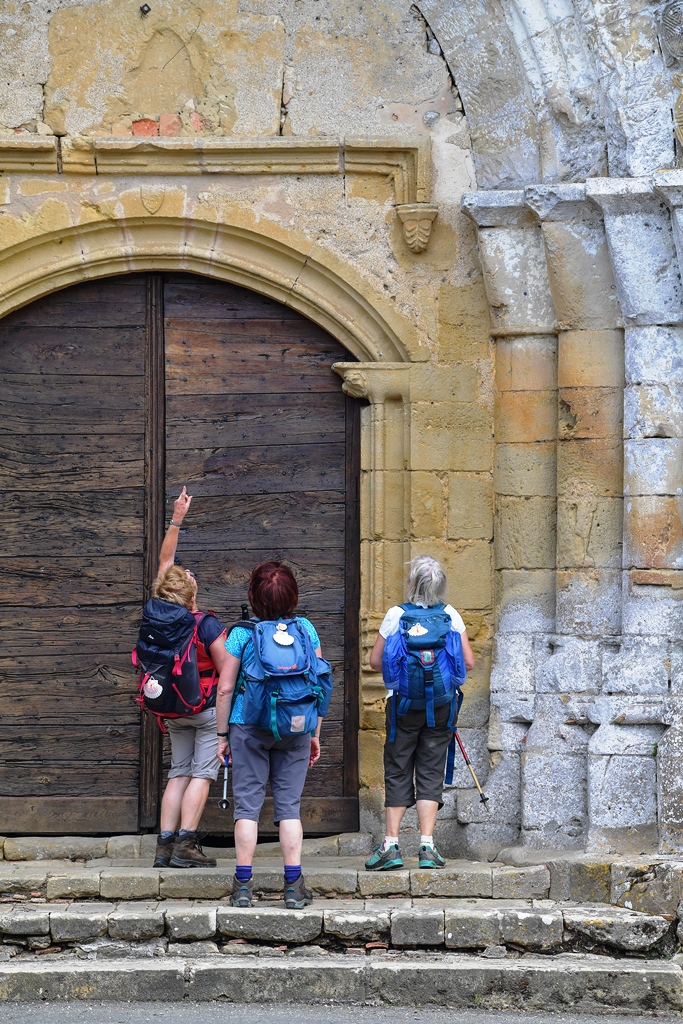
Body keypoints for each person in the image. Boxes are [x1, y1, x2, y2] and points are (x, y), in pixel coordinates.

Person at [216, 561, 324, 910]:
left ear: (253, 596)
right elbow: (319, 686)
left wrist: (221, 736)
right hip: (296, 725)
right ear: (293, 594)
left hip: (248, 725)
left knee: (247, 808)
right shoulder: (306, 629)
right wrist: (313, 732)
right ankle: (293, 887)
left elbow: (225, 688)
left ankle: (243, 887)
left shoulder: (242, 634)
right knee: (289, 808)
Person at [365, 555, 475, 871]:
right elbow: (468, 661)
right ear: (440, 587)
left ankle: (391, 847)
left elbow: (374, 661)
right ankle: (427, 848)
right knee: (431, 769)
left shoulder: (396, 615)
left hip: (402, 705)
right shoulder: (451, 616)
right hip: (441, 706)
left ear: (411, 583)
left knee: (398, 768)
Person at [151, 487, 234, 869]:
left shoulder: (157, 612)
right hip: (203, 708)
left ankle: (163, 848)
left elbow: (166, 561)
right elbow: (226, 667)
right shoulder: (206, 623)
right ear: (191, 590)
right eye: (189, 575)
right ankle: (186, 845)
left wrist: (177, 518)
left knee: (177, 773)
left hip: (171, 708)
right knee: (201, 773)